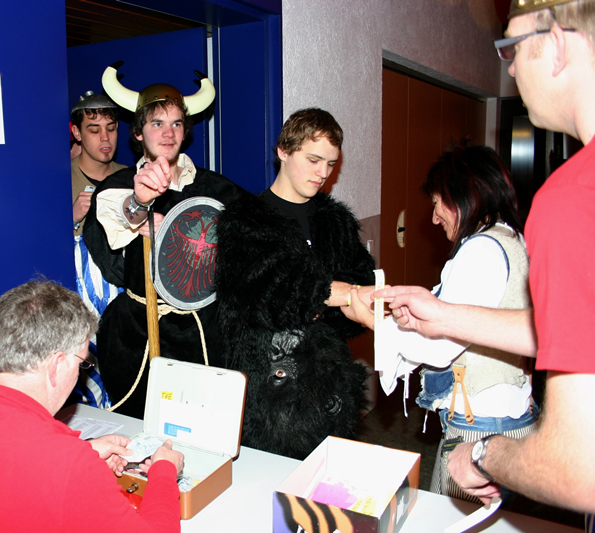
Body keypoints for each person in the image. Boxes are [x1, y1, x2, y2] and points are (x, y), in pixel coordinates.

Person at [372, 0, 595, 520]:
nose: (510, 69)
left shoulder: (573, 198)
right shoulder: (514, 235)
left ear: (557, 45)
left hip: (486, 426)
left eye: (511, 48)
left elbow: (578, 468)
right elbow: (570, 329)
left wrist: (480, 455)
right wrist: (442, 314)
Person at [0, 280, 184, 532]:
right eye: (81, 363)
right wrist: (164, 472)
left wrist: (83, 452)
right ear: (57, 365)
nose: (80, 374)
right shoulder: (67, 466)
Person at [350, 143, 535, 502]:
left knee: (449, 516)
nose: (434, 218)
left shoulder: (479, 251)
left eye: (436, 204)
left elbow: (440, 346)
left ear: (461, 196)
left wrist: (374, 323)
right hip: (512, 416)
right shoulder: (512, 238)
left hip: (480, 427)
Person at [82, 63, 247, 418]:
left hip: (205, 330)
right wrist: (139, 203)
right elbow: (118, 215)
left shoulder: (216, 188)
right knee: (140, 425)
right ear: (138, 133)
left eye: (176, 123)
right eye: (157, 123)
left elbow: (255, 239)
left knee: (204, 423)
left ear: (186, 131)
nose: (168, 133)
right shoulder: (117, 186)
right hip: (138, 333)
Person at [214, 108, 374, 460]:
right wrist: (337, 294)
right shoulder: (245, 222)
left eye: (330, 164)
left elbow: (360, 278)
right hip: (271, 399)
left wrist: (348, 303)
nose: (323, 173)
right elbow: (264, 295)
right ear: (283, 151)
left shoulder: (335, 222)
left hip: (329, 386)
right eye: (313, 160)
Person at [69, 91, 127, 409]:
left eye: (111, 128)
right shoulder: (57, 179)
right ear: (76, 133)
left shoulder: (132, 179)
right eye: (94, 130)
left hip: (123, 309)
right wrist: (70, 218)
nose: (105, 139)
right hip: (79, 313)